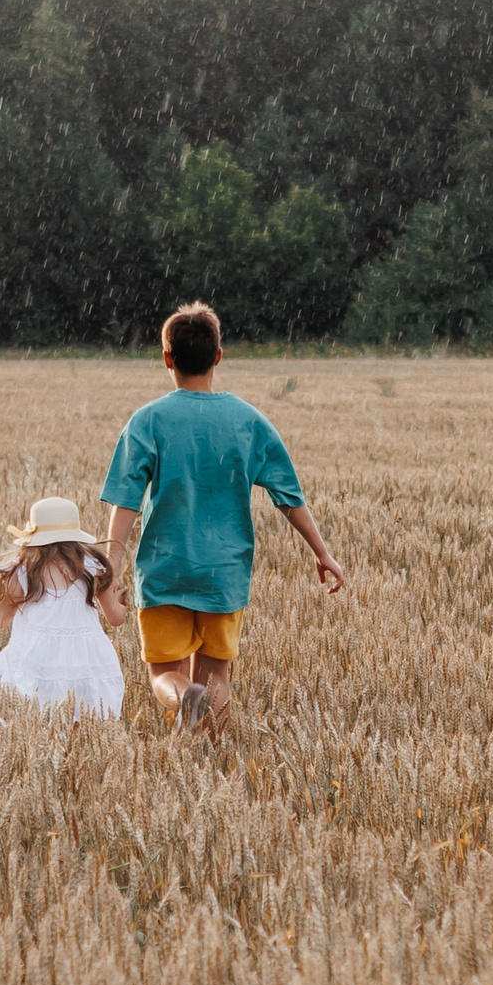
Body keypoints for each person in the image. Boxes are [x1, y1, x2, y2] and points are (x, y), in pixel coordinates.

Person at [99, 302, 343, 734]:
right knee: (215, 680)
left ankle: (181, 697)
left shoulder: (148, 420)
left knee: (163, 676)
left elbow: (127, 501)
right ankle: (215, 767)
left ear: (167, 359)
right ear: (218, 356)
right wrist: (322, 552)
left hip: (165, 570)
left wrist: (111, 563)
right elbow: (288, 496)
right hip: (224, 573)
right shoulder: (249, 421)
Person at [0, 496, 128, 717]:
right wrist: (123, 600)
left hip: (38, 663)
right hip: (86, 663)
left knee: (39, 726)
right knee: (84, 727)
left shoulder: (24, 571)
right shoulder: (93, 567)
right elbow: (116, 618)